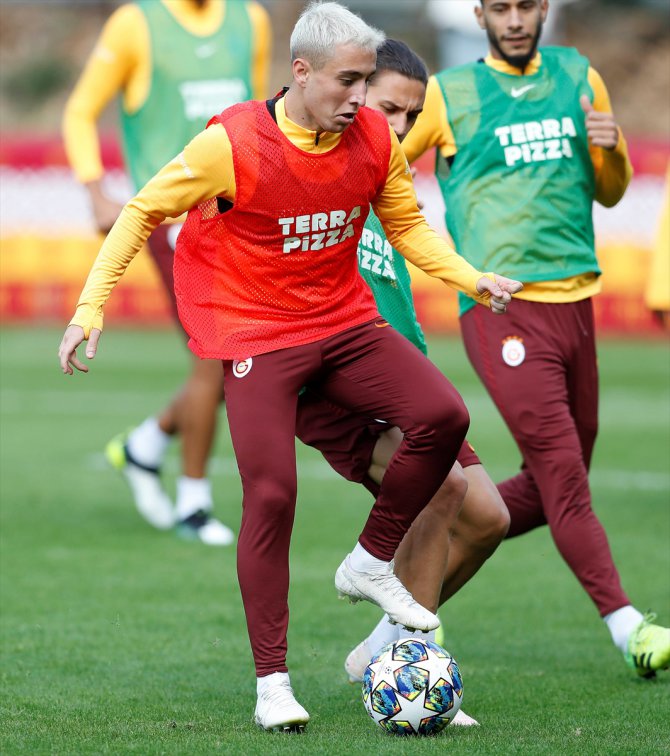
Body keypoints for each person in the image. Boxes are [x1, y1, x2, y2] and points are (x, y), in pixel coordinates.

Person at [58, 1, 523, 733]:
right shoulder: (232, 142)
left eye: (366, 81)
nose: (361, 97)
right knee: (271, 496)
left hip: (344, 324)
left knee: (444, 414)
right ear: (301, 73)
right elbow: (141, 211)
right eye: (348, 81)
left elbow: (406, 226)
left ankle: (370, 561)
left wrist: (473, 279)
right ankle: (272, 683)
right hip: (258, 336)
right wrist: (90, 309)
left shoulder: (373, 137)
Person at [401, 0, 670, 678]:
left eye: (526, 6)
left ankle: (406, 593)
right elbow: (379, 164)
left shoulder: (580, 77)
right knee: (565, 478)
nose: (515, 19)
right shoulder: (449, 94)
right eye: (501, 8)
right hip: (503, 307)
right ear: (480, 15)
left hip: (576, 303)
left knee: (553, 485)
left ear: (544, 9)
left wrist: (610, 147)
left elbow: (611, 191)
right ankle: (629, 627)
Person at [295, 38, 510, 727]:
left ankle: (385, 644)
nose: (398, 126)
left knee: (489, 519)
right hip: (339, 379)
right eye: (387, 108)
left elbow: (401, 268)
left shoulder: (386, 178)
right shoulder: (317, 168)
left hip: (402, 375)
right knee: (440, 491)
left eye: (411, 116)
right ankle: (415, 671)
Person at [62, 0, 271, 545]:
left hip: (238, 215)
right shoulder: (137, 24)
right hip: (175, 219)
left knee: (245, 357)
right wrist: (95, 191)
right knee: (216, 356)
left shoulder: (251, 19)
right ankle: (193, 502)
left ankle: (146, 446)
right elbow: (80, 111)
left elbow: (254, 118)